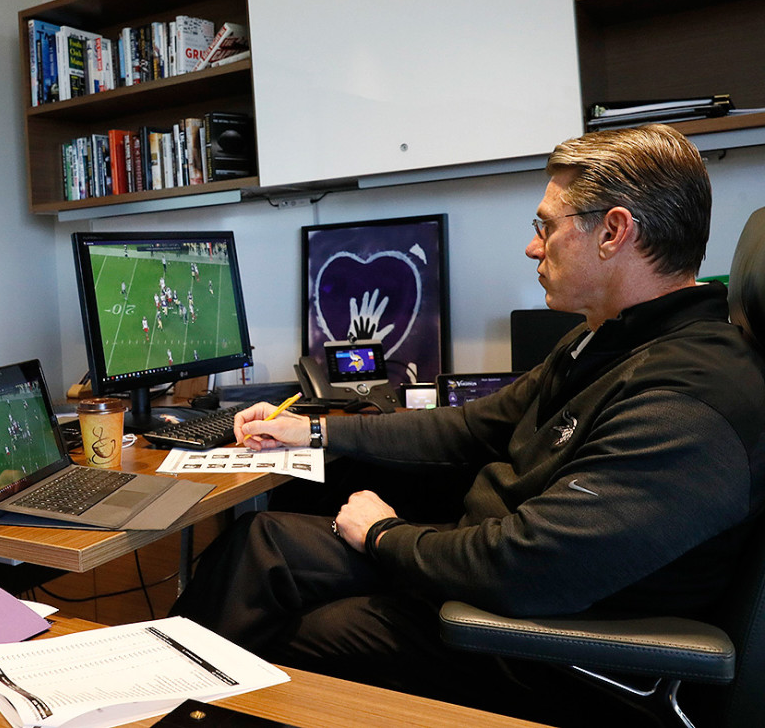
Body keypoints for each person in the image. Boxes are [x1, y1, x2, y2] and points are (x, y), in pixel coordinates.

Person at [169, 124, 765, 724]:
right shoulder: (606, 341)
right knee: (263, 541)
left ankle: (172, 705)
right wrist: (314, 432)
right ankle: (153, 694)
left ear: (613, 232)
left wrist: (383, 536)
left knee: (287, 632)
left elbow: (531, 566)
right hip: (488, 572)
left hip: (553, 650)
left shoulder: (689, 398)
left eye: (546, 226)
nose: (533, 247)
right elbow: (468, 426)